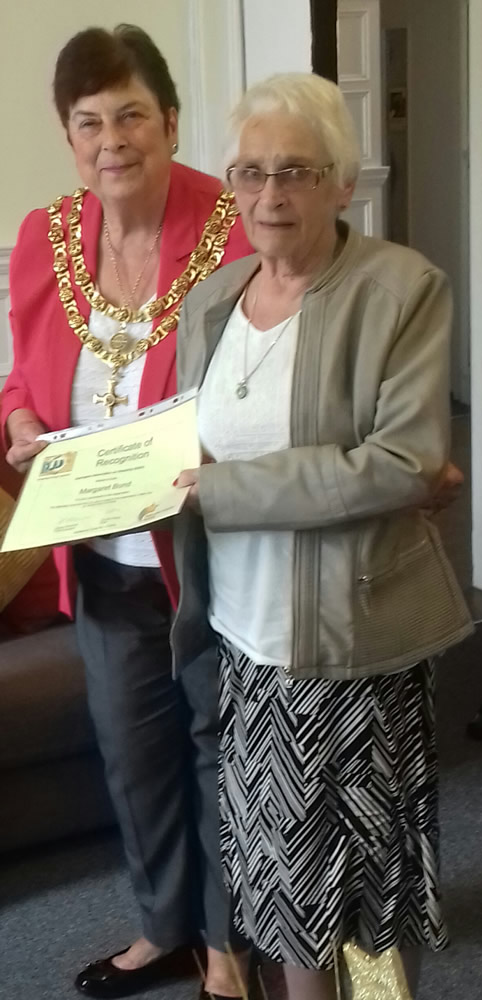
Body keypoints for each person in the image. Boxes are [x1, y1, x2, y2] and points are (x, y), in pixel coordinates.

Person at [172, 73, 474, 1000]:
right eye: (250, 171)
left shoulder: (401, 288)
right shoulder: (213, 302)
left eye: (296, 171)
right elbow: (183, 445)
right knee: (285, 885)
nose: (270, 194)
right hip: (245, 642)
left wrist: (219, 492)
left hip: (355, 648)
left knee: (371, 893)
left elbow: (401, 462)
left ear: (343, 183)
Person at [2, 24, 254, 1000]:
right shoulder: (43, 237)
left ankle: (229, 950)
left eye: (132, 115)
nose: (113, 139)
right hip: (103, 557)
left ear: (170, 121)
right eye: (89, 120)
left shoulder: (230, 227)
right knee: (134, 754)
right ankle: (163, 928)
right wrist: (21, 416)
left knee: (216, 749)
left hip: (210, 553)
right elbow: (25, 377)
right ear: (70, 136)